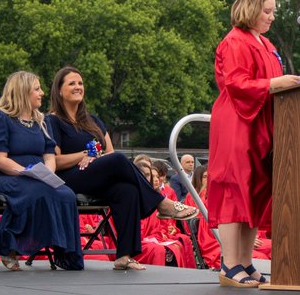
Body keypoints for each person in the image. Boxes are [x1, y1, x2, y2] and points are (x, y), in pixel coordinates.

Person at [46, 66, 196, 271]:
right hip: (69, 178)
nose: (78, 87)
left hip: (96, 176)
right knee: (118, 159)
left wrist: (95, 159)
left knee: (127, 190)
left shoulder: (93, 121)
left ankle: (124, 255)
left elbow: (108, 152)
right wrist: (84, 155)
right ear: (59, 90)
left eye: (80, 83)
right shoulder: (52, 120)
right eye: (72, 83)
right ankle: (161, 203)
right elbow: (55, 161)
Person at [207, 0, 300, 287]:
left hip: (262, 123)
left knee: (255, 193)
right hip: (238, 121)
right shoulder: (235, 41)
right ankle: (229, 263)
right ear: (251, 9)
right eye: (267, 10)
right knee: (236, 188)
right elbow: (236, 84)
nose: (272, 17)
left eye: (273, 11)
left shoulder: (265, 42)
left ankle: (245, 262)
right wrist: (275, 83)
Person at [0, 71, 81, 271]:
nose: (42, 93)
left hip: (36, 177)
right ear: (23, 92)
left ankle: (65, 253)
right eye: (37, 89)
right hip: (2, 176)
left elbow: (49, 156)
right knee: (35, 190)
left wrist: (47, 174)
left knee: (67, 194)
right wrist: (27, 172)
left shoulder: (41, 122)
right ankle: (8, 246)